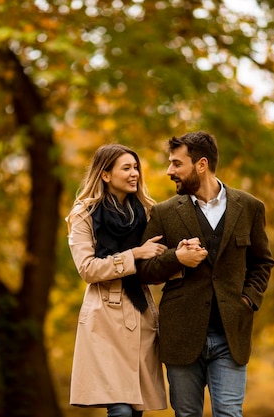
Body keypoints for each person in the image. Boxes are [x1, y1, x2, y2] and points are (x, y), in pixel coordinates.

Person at [136, 131, 274, 417]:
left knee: (229, 414)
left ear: (201, 165)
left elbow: (262, 263)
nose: (169, 171)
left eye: (177, 164)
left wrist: (248, 300)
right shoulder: (163, 213)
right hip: (181, 335)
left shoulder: (250, 207)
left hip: (231, 335)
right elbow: (144, 270)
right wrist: (176, 257)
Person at [66, 143, 168, 417]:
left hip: (141, 313)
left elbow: (156, 264)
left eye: (136, 167)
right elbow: (88, 269)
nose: (134, 173)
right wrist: (135, 254)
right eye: (126, 168)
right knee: (121, 410)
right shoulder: (83, 214)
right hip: (104, 317)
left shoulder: (147, 212)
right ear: (106, 175)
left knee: (135, 410)